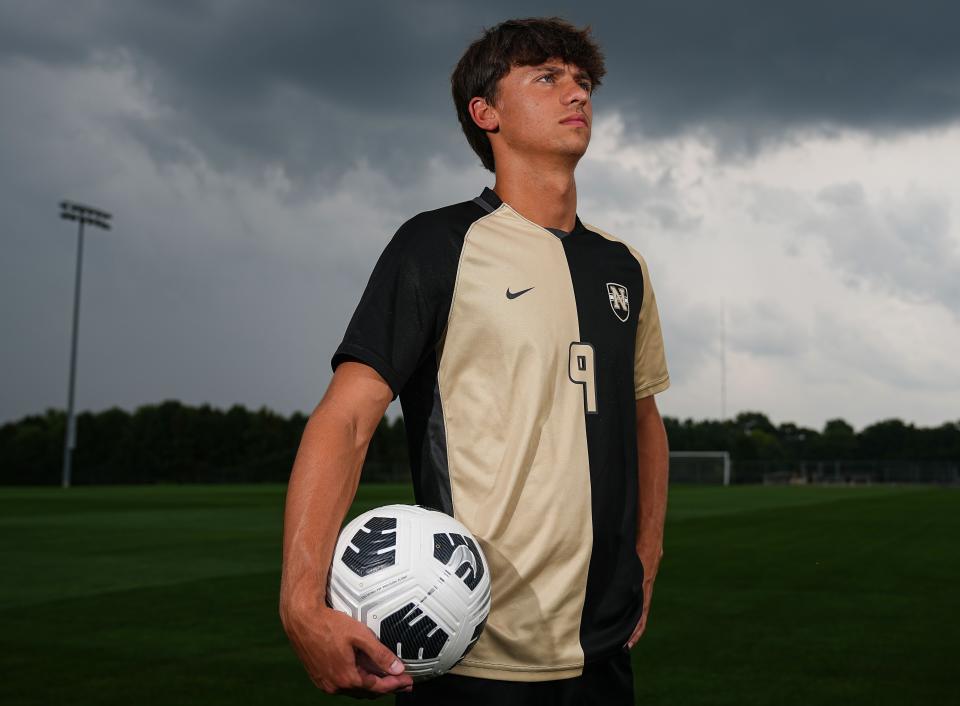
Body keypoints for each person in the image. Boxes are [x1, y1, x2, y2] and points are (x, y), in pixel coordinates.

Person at [279, 16, 670, 705]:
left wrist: (648, 556)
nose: (576, 94)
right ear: (484, 113)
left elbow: (644, 421)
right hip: (472, 654)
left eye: (582, 82)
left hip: (603, 656)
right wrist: (301, 602)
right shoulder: (436, 245)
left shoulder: (623, 266)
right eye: (546, 78)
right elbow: (346, 419)